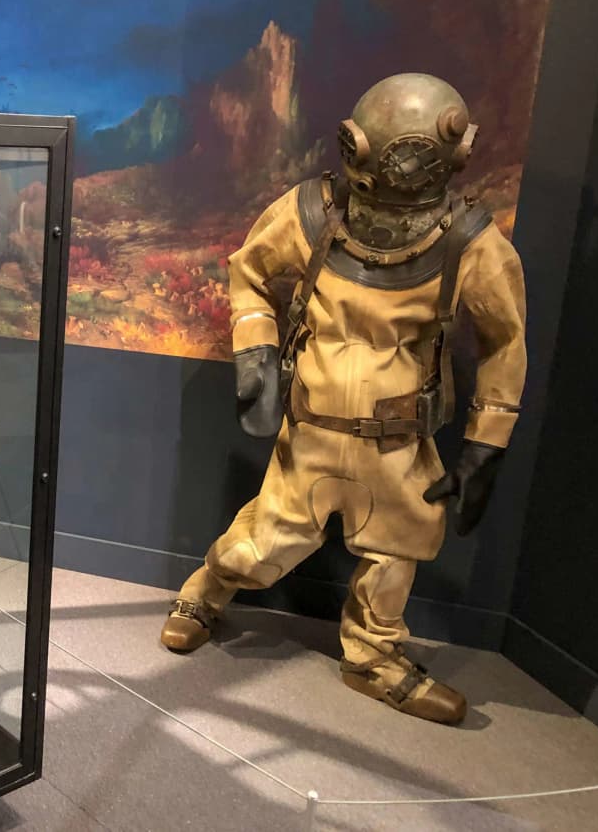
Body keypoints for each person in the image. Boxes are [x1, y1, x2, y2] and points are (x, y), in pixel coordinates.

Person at [159, 73, 527, 725]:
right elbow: (248, 271)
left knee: (396, 552)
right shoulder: (308, 215)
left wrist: (485, 446)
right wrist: (256, 353)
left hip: (400, 444)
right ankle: (207, 589)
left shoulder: (471, 244)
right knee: (261, 547)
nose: (393, 213)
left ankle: (374, 656)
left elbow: (505, 341)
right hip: (311, 435)